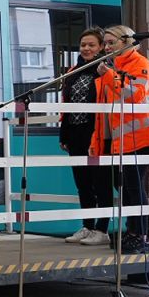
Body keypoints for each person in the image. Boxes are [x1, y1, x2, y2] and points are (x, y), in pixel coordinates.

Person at [89, 25, 149, 253]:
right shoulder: (115, 67)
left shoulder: (140, 64)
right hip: (121, 140)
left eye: (112, 43)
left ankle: (139, 235)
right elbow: (105, 110)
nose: (108, 47)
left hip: (140, 138)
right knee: (124, 187)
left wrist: (109, 75)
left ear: (126, 42)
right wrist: (97, 140)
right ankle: (132, 231)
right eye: (106, 43)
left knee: (133, 187)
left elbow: (135, 94)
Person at [60, 28, 111, 246]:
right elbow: (66, 105)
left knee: (101, 182)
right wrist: (64, 134)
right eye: (83, 45)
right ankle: (88, 226)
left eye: (91, 45)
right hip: (75, 133)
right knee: (82, 183)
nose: (86, 49)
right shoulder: (74, 70)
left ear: (101, 47)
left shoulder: (103, 70)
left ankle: (102, 229)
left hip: (96, 132)